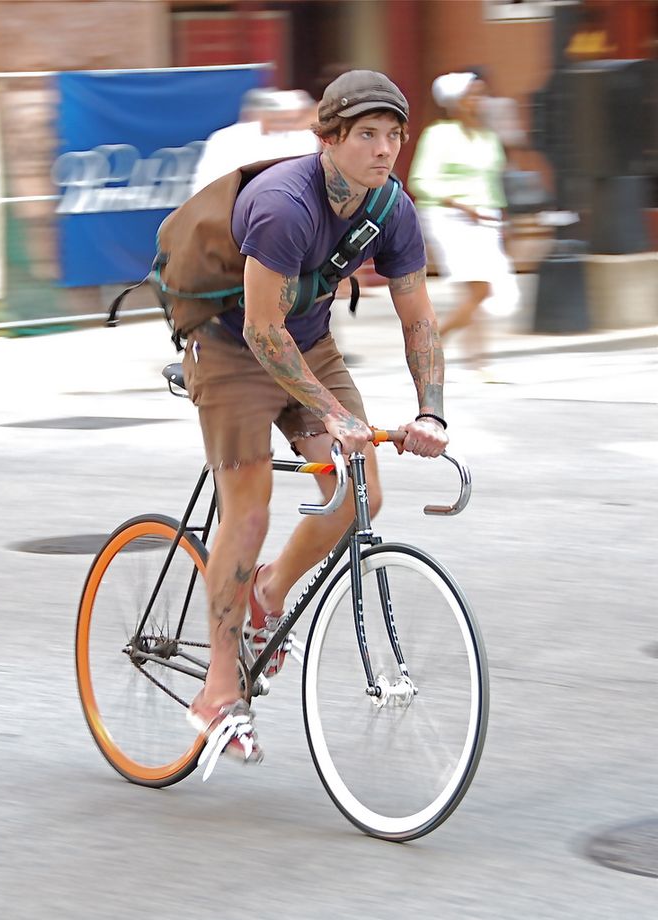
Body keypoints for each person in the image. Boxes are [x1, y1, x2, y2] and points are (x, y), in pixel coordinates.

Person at [181, 70, 449, 766]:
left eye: (394, 135)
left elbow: (418, 320)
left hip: (309, 343)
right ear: (328, 138)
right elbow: (264, 332)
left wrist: (430, 413)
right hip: (232, 343)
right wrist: (332, 413)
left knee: (361, 487)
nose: (385, 150)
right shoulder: (283, 205)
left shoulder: (392, 208)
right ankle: (215, 692)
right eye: (367, 135)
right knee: (249, 512)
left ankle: (266, 596)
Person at [407, 72, 514, 376]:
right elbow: (420, 180)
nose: (479, 101)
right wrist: (459, 203)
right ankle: (429, 345)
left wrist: (501, 217)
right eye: (472, 95)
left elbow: (493, 182)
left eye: (481, 94)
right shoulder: (439, 134)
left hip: (485, 215)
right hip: (449, 216)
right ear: (454, 102)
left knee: (477, 291)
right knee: (480, 289)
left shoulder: (488, 136)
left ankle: (478, 363)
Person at [190, 87, 319, 195]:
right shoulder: (226, 139)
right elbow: (204, 187)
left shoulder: (306, 139)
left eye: (293, 119)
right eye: (281, 118)